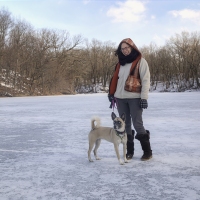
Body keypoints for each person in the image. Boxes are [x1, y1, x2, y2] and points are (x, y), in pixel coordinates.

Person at [108, 38, 152, 161]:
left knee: (138, 124)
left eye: (127, 48)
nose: (125, 50)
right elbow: (115, 80)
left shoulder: (141, 61)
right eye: (122, 49)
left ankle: (147, 152)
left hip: (135, 98)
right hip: (120, 98)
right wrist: (112, 94)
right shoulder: (120, 63)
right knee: (125, 125)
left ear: (132, 48)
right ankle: (129, 151)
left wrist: (144, 97)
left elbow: (145, 80)